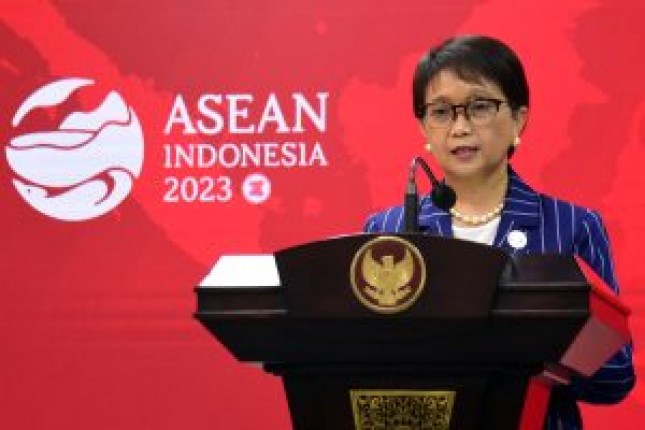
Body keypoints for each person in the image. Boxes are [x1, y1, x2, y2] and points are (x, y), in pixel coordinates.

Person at [363, 35, 635, 429]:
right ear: (423, 125)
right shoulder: (386, 231)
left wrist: (525, 351)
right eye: (441, 111)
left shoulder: (573, 226)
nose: (459, 127)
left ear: (519, 118)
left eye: (479, 107)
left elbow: (616, 376)